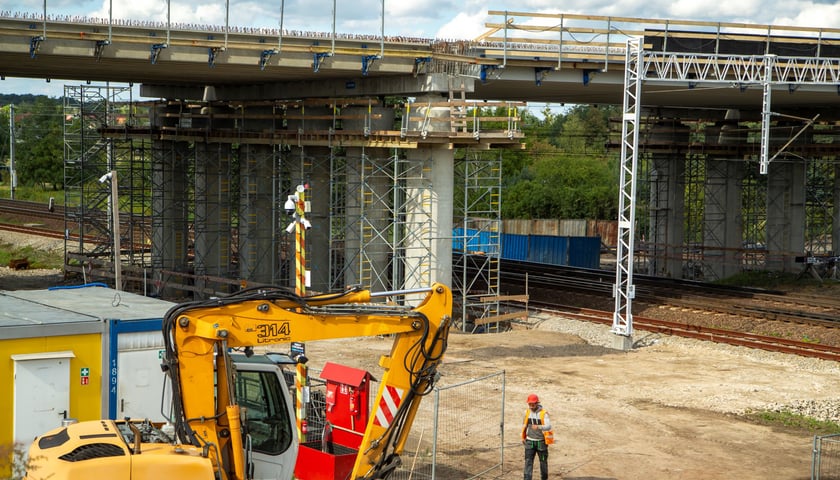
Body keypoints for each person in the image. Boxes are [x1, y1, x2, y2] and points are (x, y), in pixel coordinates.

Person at [522, 393, 551, 480]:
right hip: (529, 442)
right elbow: (524, 425)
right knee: (528, 462)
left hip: (541, 443)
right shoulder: (526, 412)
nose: (531, 406)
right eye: (529, 404)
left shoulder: (543, 414)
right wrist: (523, 437)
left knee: (543, 462)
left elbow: (548, 426)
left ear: (537, 403)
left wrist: (539, 426)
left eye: (533, 404)